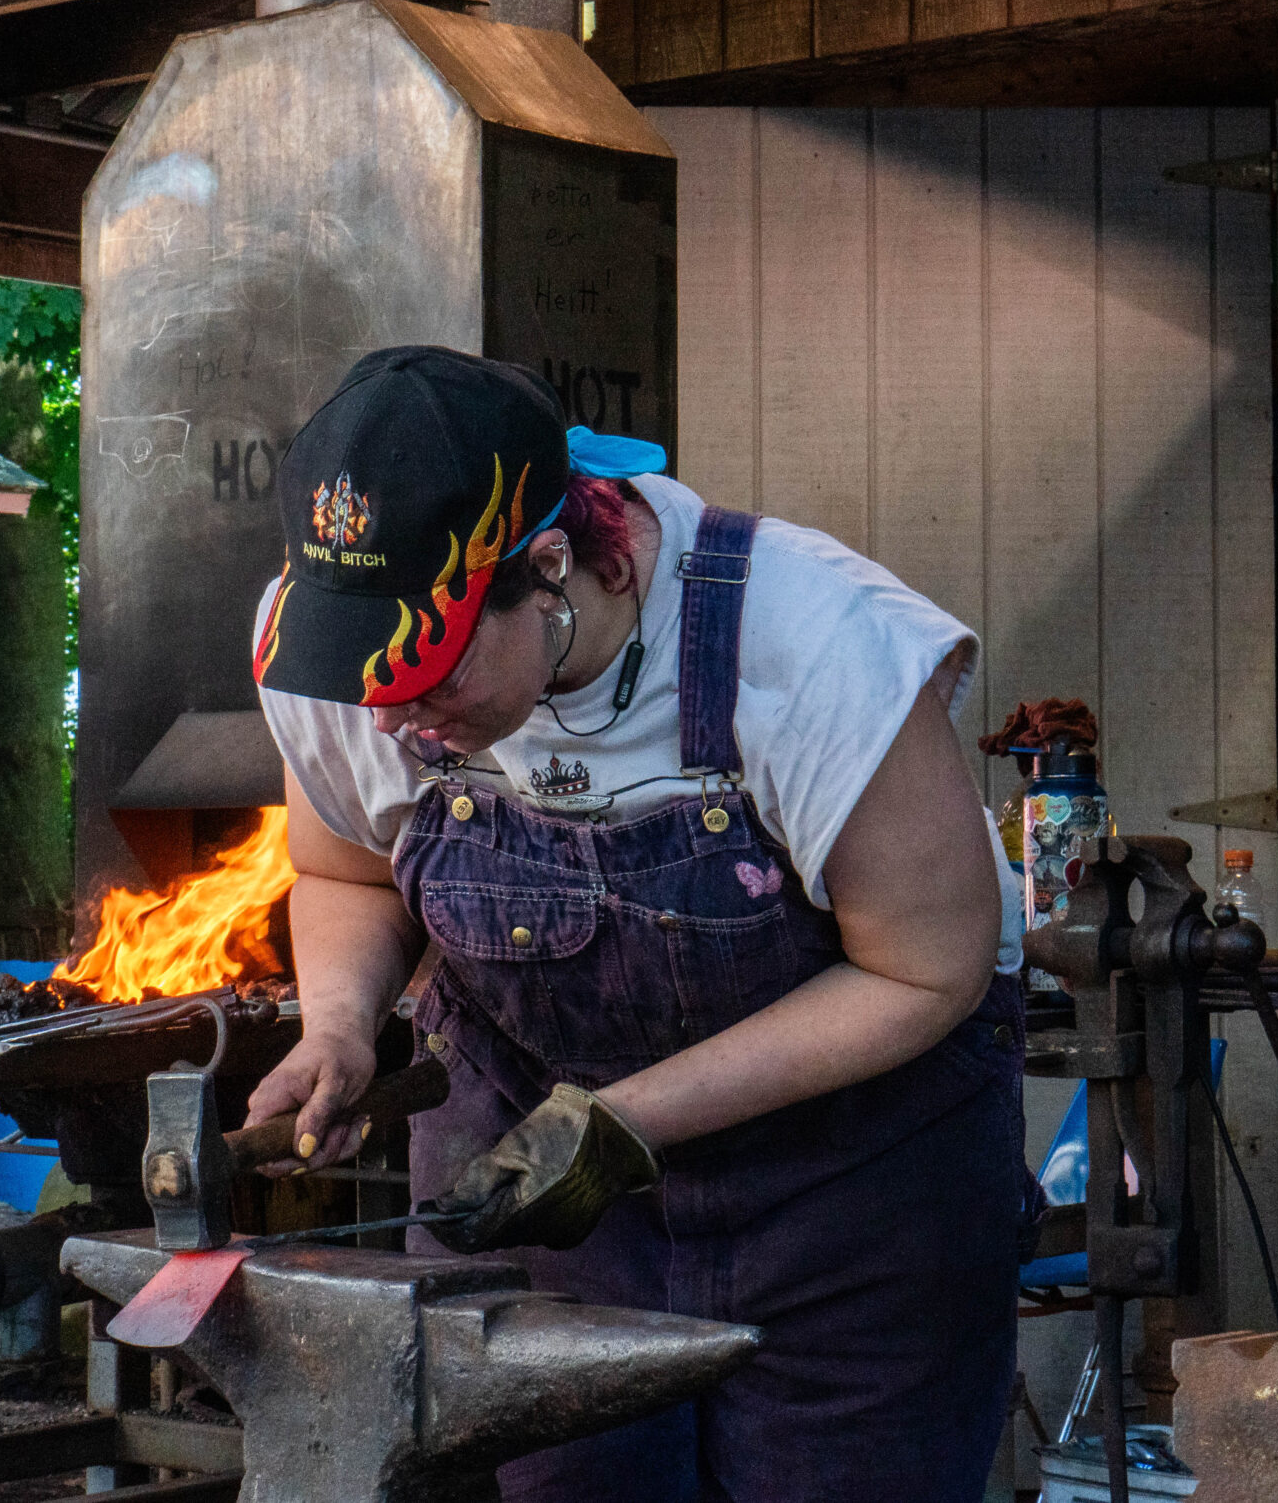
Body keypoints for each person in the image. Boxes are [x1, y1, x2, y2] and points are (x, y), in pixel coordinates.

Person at [245, 345, 1036, 1502]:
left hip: (848, 1194)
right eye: (364, 678)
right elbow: (345, 874)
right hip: (531, 1182)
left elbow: (926, 971)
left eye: (434, 672)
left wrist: (623, 1123)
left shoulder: (806, 644)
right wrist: (339, 1025)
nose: (392, 718)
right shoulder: (352, 655)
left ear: (549, 569)